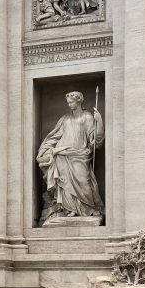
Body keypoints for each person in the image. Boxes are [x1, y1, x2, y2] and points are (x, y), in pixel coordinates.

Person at [36, 90, 105, 222]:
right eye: (68, 102)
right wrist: (45, 150)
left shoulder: (87, 117)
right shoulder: (65, 119)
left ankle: (87, 208)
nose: (69, 105)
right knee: (64, 183)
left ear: (78, 101)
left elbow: (95, 140)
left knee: (84, 182)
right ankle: (70, 209)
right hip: (62, 155)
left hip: (80, 155)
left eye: (71, 102)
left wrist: (99, 122)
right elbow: (55, 136)